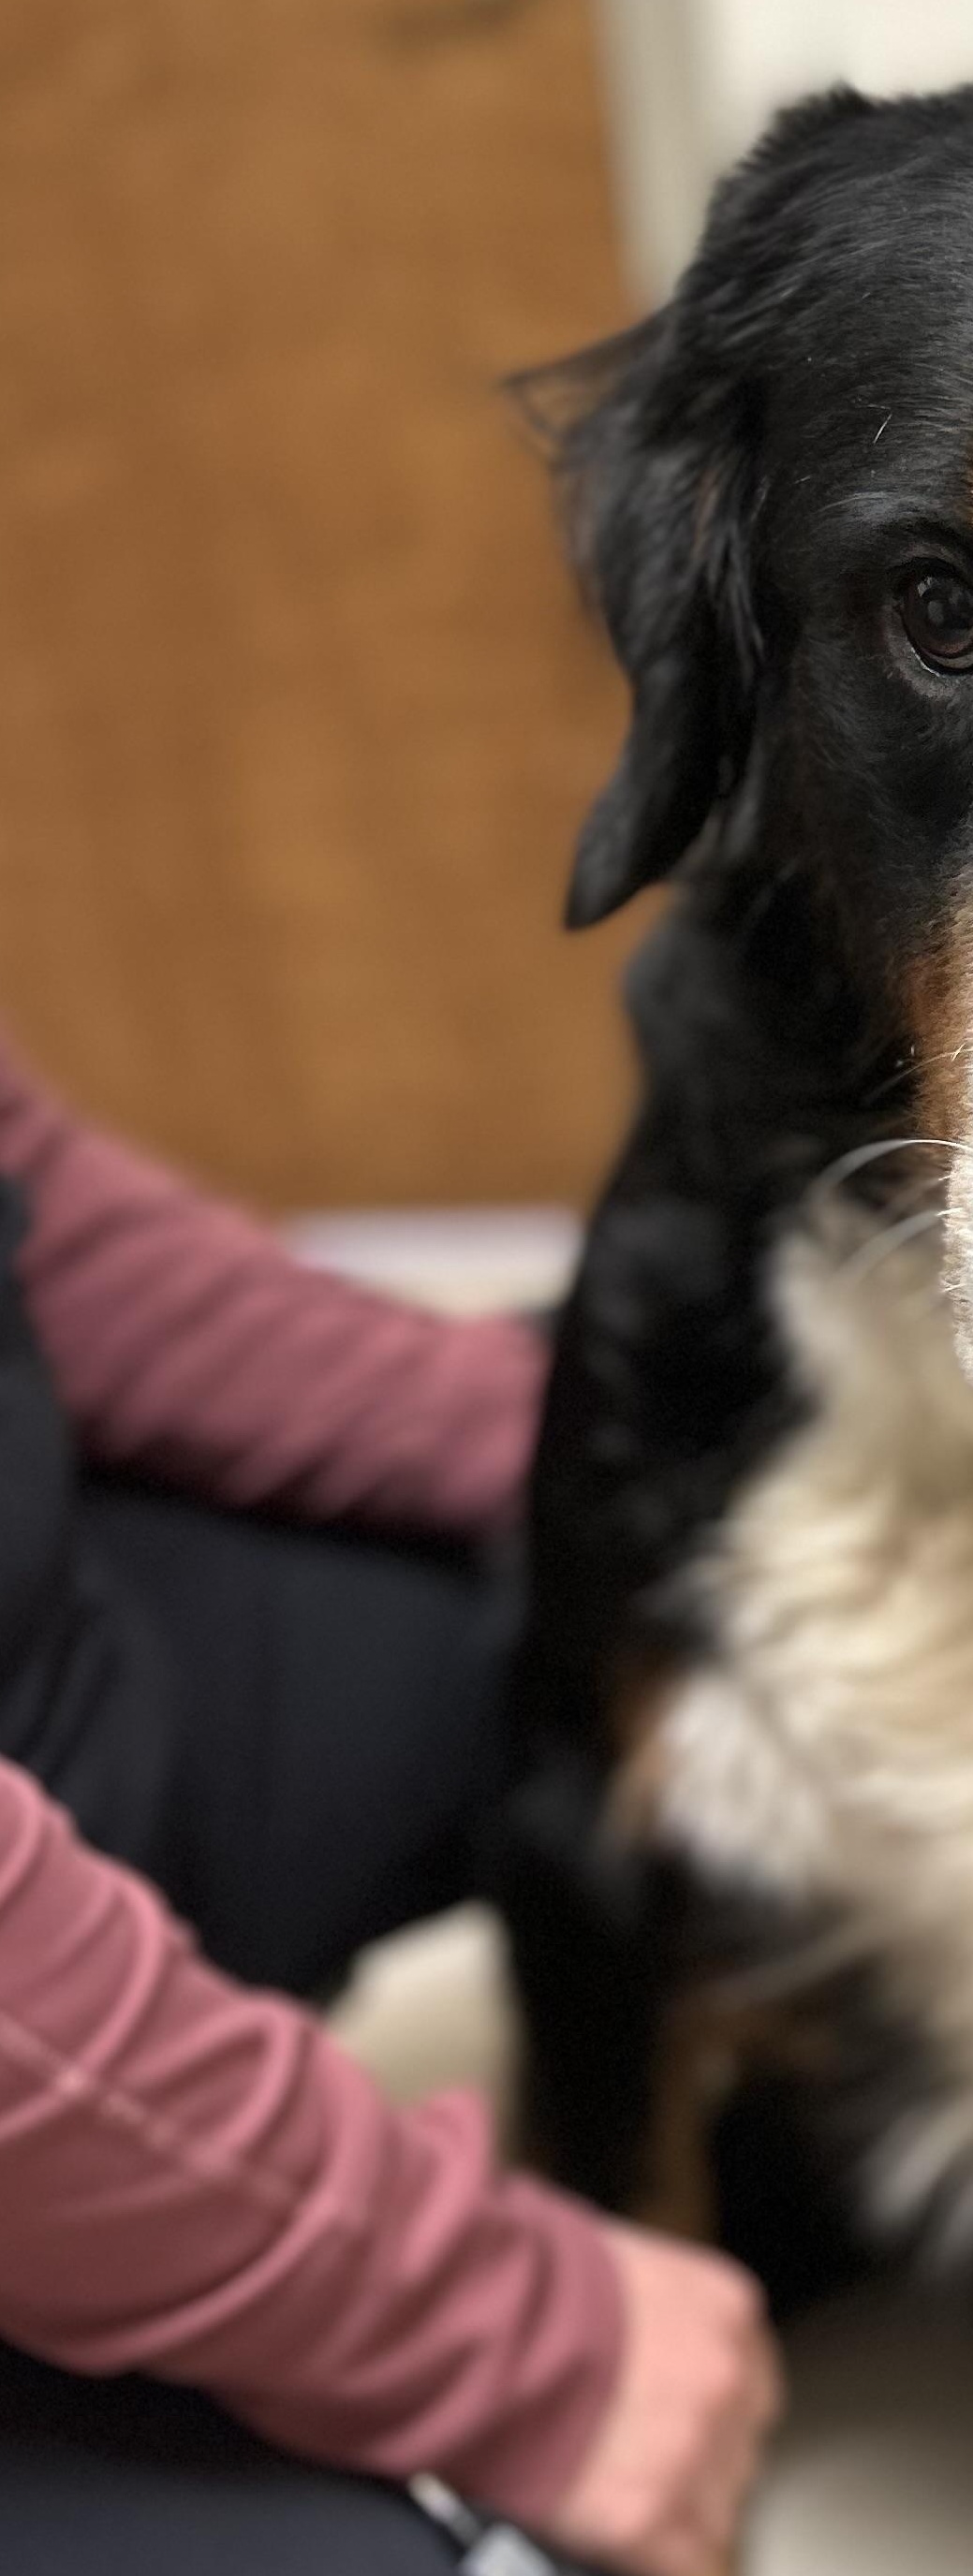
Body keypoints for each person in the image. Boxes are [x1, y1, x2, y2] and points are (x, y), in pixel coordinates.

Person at [0, 1027, 781, 2575]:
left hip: (60, 1681)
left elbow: (32, 1201)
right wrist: (502, 2330)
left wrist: (599, 1469)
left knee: (689, 1444)